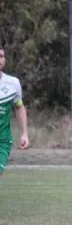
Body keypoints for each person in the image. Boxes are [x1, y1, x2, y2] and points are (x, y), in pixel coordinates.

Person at [0, 46, 30, 177]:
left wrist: (24, 134)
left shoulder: (13, 83)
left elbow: (19, 106)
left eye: (1, 56)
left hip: (2, 141)